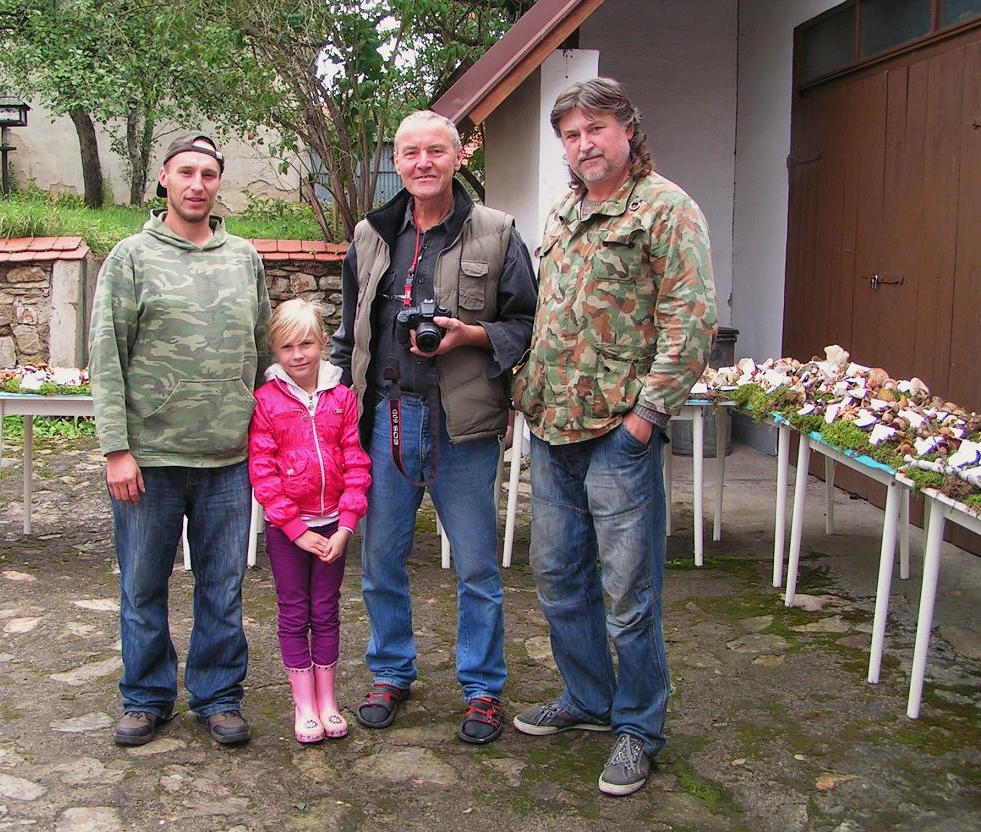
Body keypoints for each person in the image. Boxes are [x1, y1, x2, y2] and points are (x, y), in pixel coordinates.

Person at [511, 78, 717, 795]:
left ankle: (638, 726)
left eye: (595, 128)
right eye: (570, 135)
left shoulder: (665, 208)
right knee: (557, 578)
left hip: (617, 435)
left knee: (629, 592)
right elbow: (549, 313)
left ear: (627, 129)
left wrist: (645, 418)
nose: (583, 144)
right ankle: (588, 697)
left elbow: (691, 320)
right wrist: (527, 391)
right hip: (553, 428)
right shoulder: (564, 211)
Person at [330, 110, 537, 745]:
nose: (423, 162)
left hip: (462, 425)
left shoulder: (498, 232)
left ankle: (482, 688)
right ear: (396, 160)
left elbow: (528, 325)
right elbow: (350, 332)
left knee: (476, 568)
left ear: (457, 157)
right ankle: (391, 671)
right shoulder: (370, 234)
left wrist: (468, 334)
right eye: (411, 152)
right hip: (385, 421)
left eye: (436, 151)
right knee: (379, 561)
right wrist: (328, 402)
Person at [89, 132, 272, 748]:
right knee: (143, 585)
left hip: (228, 458)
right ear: (164, 178)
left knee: (222, 586)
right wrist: (116, 449)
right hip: (149, 458)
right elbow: (107, 357)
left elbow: (260, 351)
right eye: (186, 172)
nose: (197, 184)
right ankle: (146, 697)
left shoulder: (243, 258)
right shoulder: (131, 258)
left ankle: (218, 696)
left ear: (219, 183)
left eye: (208, 174)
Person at [248, 298, 371, 743]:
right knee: (294, 610)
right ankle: (303, 704)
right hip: (289, 532)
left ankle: (327, 700)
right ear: (275, 350)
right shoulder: (265, 401)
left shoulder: (343, 399)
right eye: (287, 347)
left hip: (333, 527)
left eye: (306, 344)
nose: (298, 355)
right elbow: (263, 472)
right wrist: (295, 530)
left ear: (322, 342)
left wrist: (347, 524)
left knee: (326, 610)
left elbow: (356, 461)